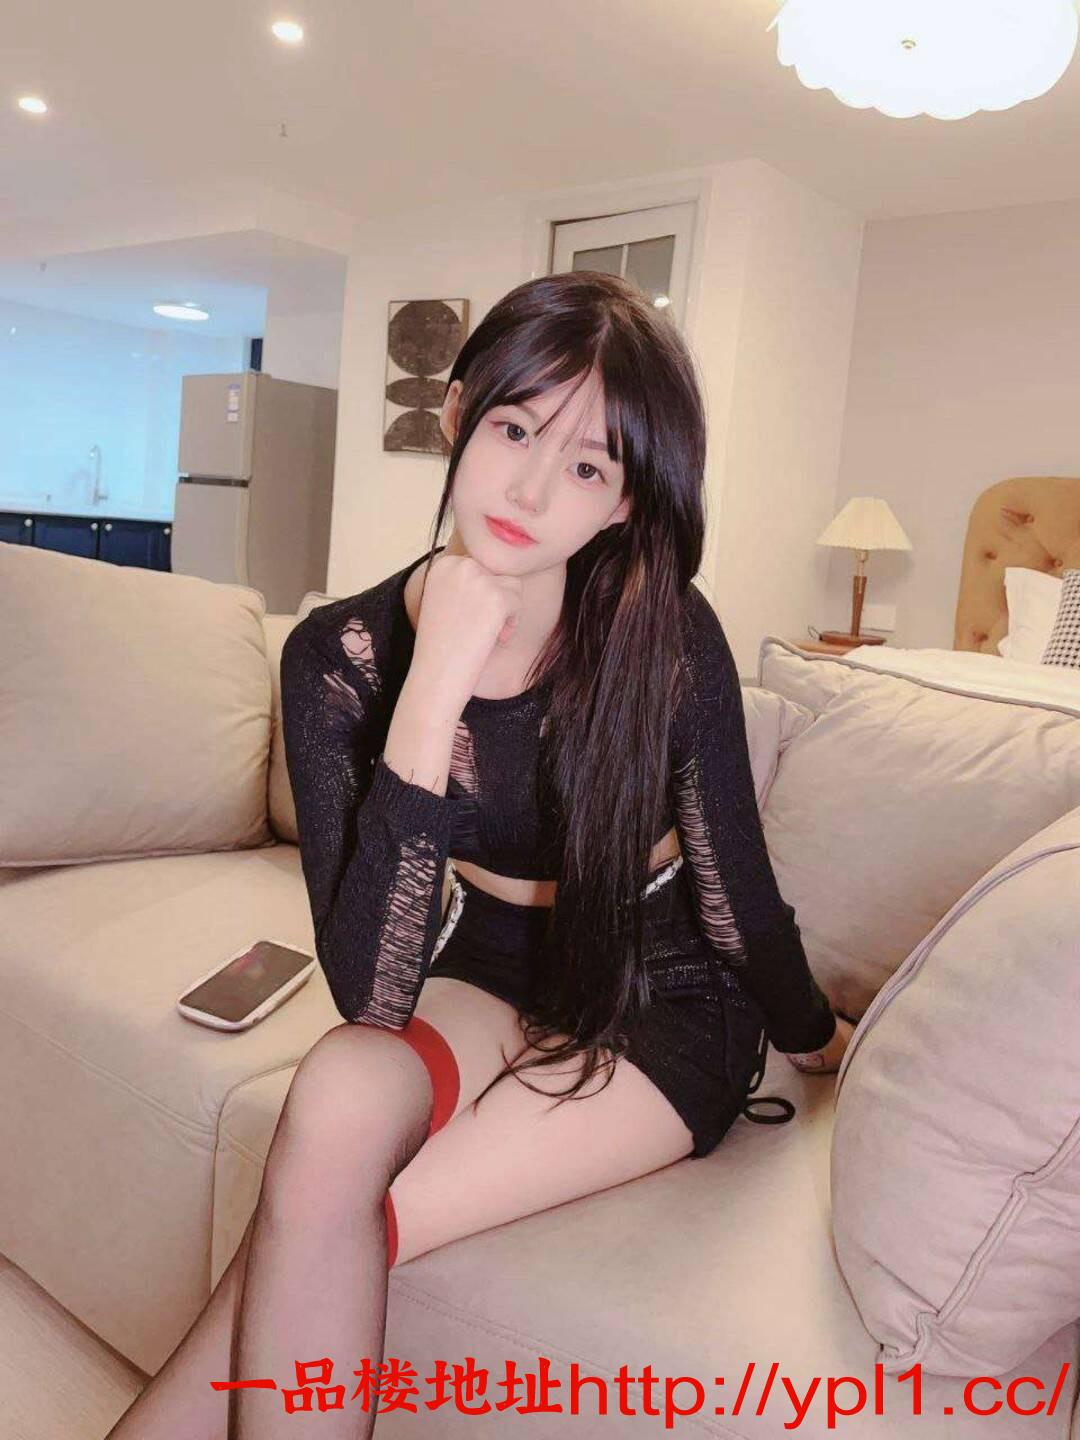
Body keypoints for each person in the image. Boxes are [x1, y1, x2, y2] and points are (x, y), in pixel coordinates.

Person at [103, 271, 852, 1440]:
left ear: (624, 503)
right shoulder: (338, 655)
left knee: (335, 1224)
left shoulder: (664, 630)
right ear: (458, 415)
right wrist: (438, 678)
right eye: (514, 430)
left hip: (663, 989)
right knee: (339, 1092)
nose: (533, 488)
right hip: (489, 962)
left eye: (590, 466)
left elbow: (730, 885)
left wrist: (815, 1040)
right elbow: (372, 996)